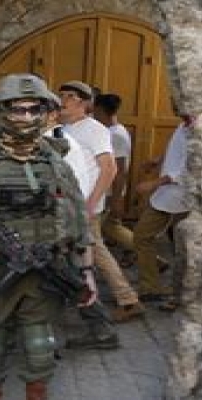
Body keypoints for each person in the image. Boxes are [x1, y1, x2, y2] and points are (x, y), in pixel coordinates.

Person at [0, 73, 98, 400]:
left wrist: (86, 271)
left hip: (44, 269)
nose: (25, 117)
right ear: (1, 111)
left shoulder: (55, 160)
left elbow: (79, 222)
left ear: (44, 112)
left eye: (33, 109)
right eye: (17, 109)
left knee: (41, 346)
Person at [58, 81, 145, 335]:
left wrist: (91, 203)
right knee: (84, 250)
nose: (63, 100)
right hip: (69, 202)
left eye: (70, 96)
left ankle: (128, 300)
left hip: (86, 204)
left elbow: (110, 168)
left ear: (85, 103)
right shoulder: (64, 129)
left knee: (95, 250)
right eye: (62, 95)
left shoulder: (94, 129)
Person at [133, 116, 192, 303]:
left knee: (183, 246)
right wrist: (157, 160)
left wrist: (155, 183)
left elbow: (189, 168)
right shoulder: (184, 124)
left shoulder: (200, 129)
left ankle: (177, 292)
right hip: (168, 194)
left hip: (180, 194)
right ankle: (152, 286)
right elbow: (175, 150)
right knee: (144, 236)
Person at [93, 94, 135, 255]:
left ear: (100, 110)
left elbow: (120, 170)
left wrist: (116, 200)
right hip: (107, 190)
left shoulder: (115, 135)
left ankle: (147, 254)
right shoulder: (111, 131)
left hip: (109, 192)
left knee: (100, 231)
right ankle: (148, 255)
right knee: (112, 228)